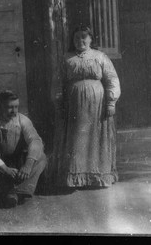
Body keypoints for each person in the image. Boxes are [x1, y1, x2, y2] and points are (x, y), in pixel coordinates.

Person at [56, 25, 121, 188]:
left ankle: (98, 176)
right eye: (77, 37)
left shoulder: (100, 57)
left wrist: (111, 101)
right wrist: (59, 102)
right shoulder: (67, 58)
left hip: (98, 105)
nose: (80, 41)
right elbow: (57, 83)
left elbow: (112, 79)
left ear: (91, 39)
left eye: (84, 37)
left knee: (96, 137)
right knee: (77, 138)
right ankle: (77, 178)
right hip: (74, 105)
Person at [0, 90, 47, 208]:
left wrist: (28, 164)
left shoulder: (23, 120)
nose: (14, 111)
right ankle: (12, 191)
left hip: (19, 162)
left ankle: (15, 193)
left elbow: (35, 141)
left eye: (16, 107)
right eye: (9, 107)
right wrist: (4, 168)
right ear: (0, 106)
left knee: (42, 157)